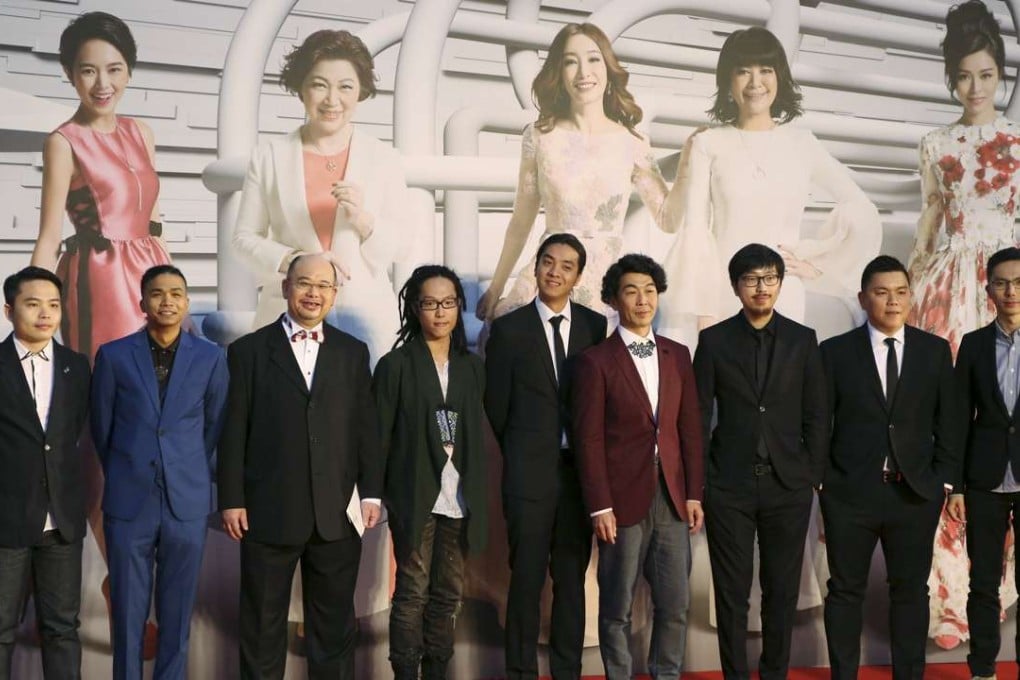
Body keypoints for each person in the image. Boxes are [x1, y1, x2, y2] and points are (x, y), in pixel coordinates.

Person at [31, 12, 172, 650]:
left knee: (160, 427)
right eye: (88, 69)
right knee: (110, 429)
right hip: (98, 281)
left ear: (129, 72)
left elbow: (153, 214)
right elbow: (47, 234)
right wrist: (28, 312)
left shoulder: (141, 129)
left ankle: (146, 575)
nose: (102, 81)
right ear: (69, 73)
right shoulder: (63, 139)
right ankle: (124, 581)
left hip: (150, 275)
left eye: (114, 69)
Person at [905, 0, 1020, 649]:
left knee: (1002, 431)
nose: (975, 87)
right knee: (947, 433)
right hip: (945, 297)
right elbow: (928, 228)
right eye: (964, 76)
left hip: (1004, 292)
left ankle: (997, 581)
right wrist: (909, 294)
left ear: (1000, 73)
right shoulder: (936, 144)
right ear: (951, 77)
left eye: (985, 74)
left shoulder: (1017, 143)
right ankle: (947, 594)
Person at [217, 253, 384, 679]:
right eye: (304, 283)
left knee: (332, 630)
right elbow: (234, 429)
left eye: (323, 286)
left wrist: (370, 492)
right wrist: (232, 498)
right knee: (262, 628)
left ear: (334, 294)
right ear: (287, 287)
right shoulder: (248, 352)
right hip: (268, 511)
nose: (314, 293)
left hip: (335, 515)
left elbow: (365, 429)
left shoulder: (352, 352)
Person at [659, 26, 881, 331]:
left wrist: (812, 262)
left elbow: (861, 207)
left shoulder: (803, 144)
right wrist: (704, 314)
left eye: (765, 70)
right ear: (728, 80)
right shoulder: (708, 143)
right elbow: (696, 233)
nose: (755, 83)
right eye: (743, 71)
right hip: (724, 293)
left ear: (779, 77)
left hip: (784, 294)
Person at [475, 22, 684, 323]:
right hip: (552, 271)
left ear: (608, 69)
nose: (584, 72)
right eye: (570, 62)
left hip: (606, 280)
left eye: (593, 59)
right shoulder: (539, 137)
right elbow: (521, 221)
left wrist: (690, 162)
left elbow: (667, 219)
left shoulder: (632, 142)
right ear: (559, 74)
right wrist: (495, 288)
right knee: (506, 331)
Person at [233, 29, 410, 365]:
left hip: (366, 319)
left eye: (345, 86)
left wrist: (364, 220)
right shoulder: (269, 156)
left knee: (366, 413)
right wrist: (295, 260)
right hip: (286, 316)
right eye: (319, 84)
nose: (332, 100)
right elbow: (243, 239)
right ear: (301, 88)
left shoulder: (383, 158)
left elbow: (401, 246)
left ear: (360, 92)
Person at [692, 243, 828, 680]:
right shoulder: (713, 341)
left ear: (781, 284)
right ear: (736, 287)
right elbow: (696, 416)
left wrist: (809, 472)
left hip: (787, 485)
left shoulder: (803, 340)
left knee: (781, 591)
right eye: (751, 279)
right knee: (731, 594)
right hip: (728, 486)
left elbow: (817, 414)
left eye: (770, 278)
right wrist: (701, 484)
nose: (761, 287)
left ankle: (774, 674)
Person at [820, 255, 959, 680]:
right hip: (850, 493)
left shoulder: (934, 351)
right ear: (864, 298)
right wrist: (824, 483)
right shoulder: (834, 352)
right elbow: (819, 420)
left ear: (910, 296)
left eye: (900, 292)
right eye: (881, 292)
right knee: (844, 591)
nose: (892, 301)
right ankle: (843, 674)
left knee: (911, 592)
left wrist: (943, 482)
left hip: (915, 492)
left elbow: (949, 422)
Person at [90, 265, 229, 680]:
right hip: (129, 500)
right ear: (142, 302)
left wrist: (182, 465)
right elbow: (102, 427)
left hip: (186, 501)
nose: (167, 301)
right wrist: (133, 463)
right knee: (129, 612)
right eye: (157, 294)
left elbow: (214, 426)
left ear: (186, 302)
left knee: (177, 609)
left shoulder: (211, 357)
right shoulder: (113, 355)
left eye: (176, 294)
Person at [572, 254, 704, 679]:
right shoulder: (596, 361)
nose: (643, 299)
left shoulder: (678, 355)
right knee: (616, 607)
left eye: (650, 290)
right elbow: (587, 440)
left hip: (672, 499)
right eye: (632, 291)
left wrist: (694, 493)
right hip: (620, 502)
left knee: (675, 604)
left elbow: (690, 433)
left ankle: (666, 673)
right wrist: (599, 506)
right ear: (613, 299)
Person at [484, 233, 607, 680]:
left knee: (572, 582)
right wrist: (526, 449)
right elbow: (496, 406)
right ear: (535, 267)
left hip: (579, 477)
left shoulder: (595, 327)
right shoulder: (510, 329)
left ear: (578, 275)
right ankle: (519, 671)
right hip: (528, 476)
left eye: (566, 265)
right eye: (548, 262)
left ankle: (567, 671)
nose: (555, 271)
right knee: (527, 579)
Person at [374, 265, 487, 679]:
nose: (440, 312)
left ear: (459, 307)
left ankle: (437, 672)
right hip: (415, 493)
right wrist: (377, 492)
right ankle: (405, 672)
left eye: (448, 302)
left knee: (447, 595)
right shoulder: (396, 365)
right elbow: (379, 437)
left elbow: (459, 424)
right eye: (429, 303)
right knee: (411, 593)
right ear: (414, 308)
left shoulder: (471, 367)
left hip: (460, 495)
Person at [0, 267, 90, 679]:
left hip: (62, 521)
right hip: (6, 520)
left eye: (53, 305)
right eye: (32, 304)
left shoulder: (77, 366)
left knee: (62, 628)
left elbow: (73, 437)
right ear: (9, 309)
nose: (45, 314)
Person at [949, 246, 1020, 679]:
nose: (1011, 290)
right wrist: (955, 486)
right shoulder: (974, 345)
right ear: (988, 287)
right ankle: (982, 671)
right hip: (983, 481)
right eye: (1002, 282)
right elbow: (957, 420)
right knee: (983, 584)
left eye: (1018, 281)